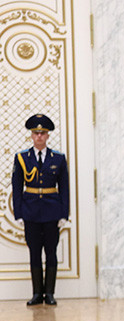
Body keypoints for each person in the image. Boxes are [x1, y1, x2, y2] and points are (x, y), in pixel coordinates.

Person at [11, 114, 70, 306]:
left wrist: (64, 213)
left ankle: (50, 293)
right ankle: (37, 293)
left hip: (52, 212)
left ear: (48, 135)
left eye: (42, 133)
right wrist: (19, 213)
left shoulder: (58, 158)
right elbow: (17, 187)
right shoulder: (22, 158)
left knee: (51, 252)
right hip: (30, 212)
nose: (39, 136)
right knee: (34, 252)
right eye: (36, 133)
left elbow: (64, 188)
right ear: (31, 135)